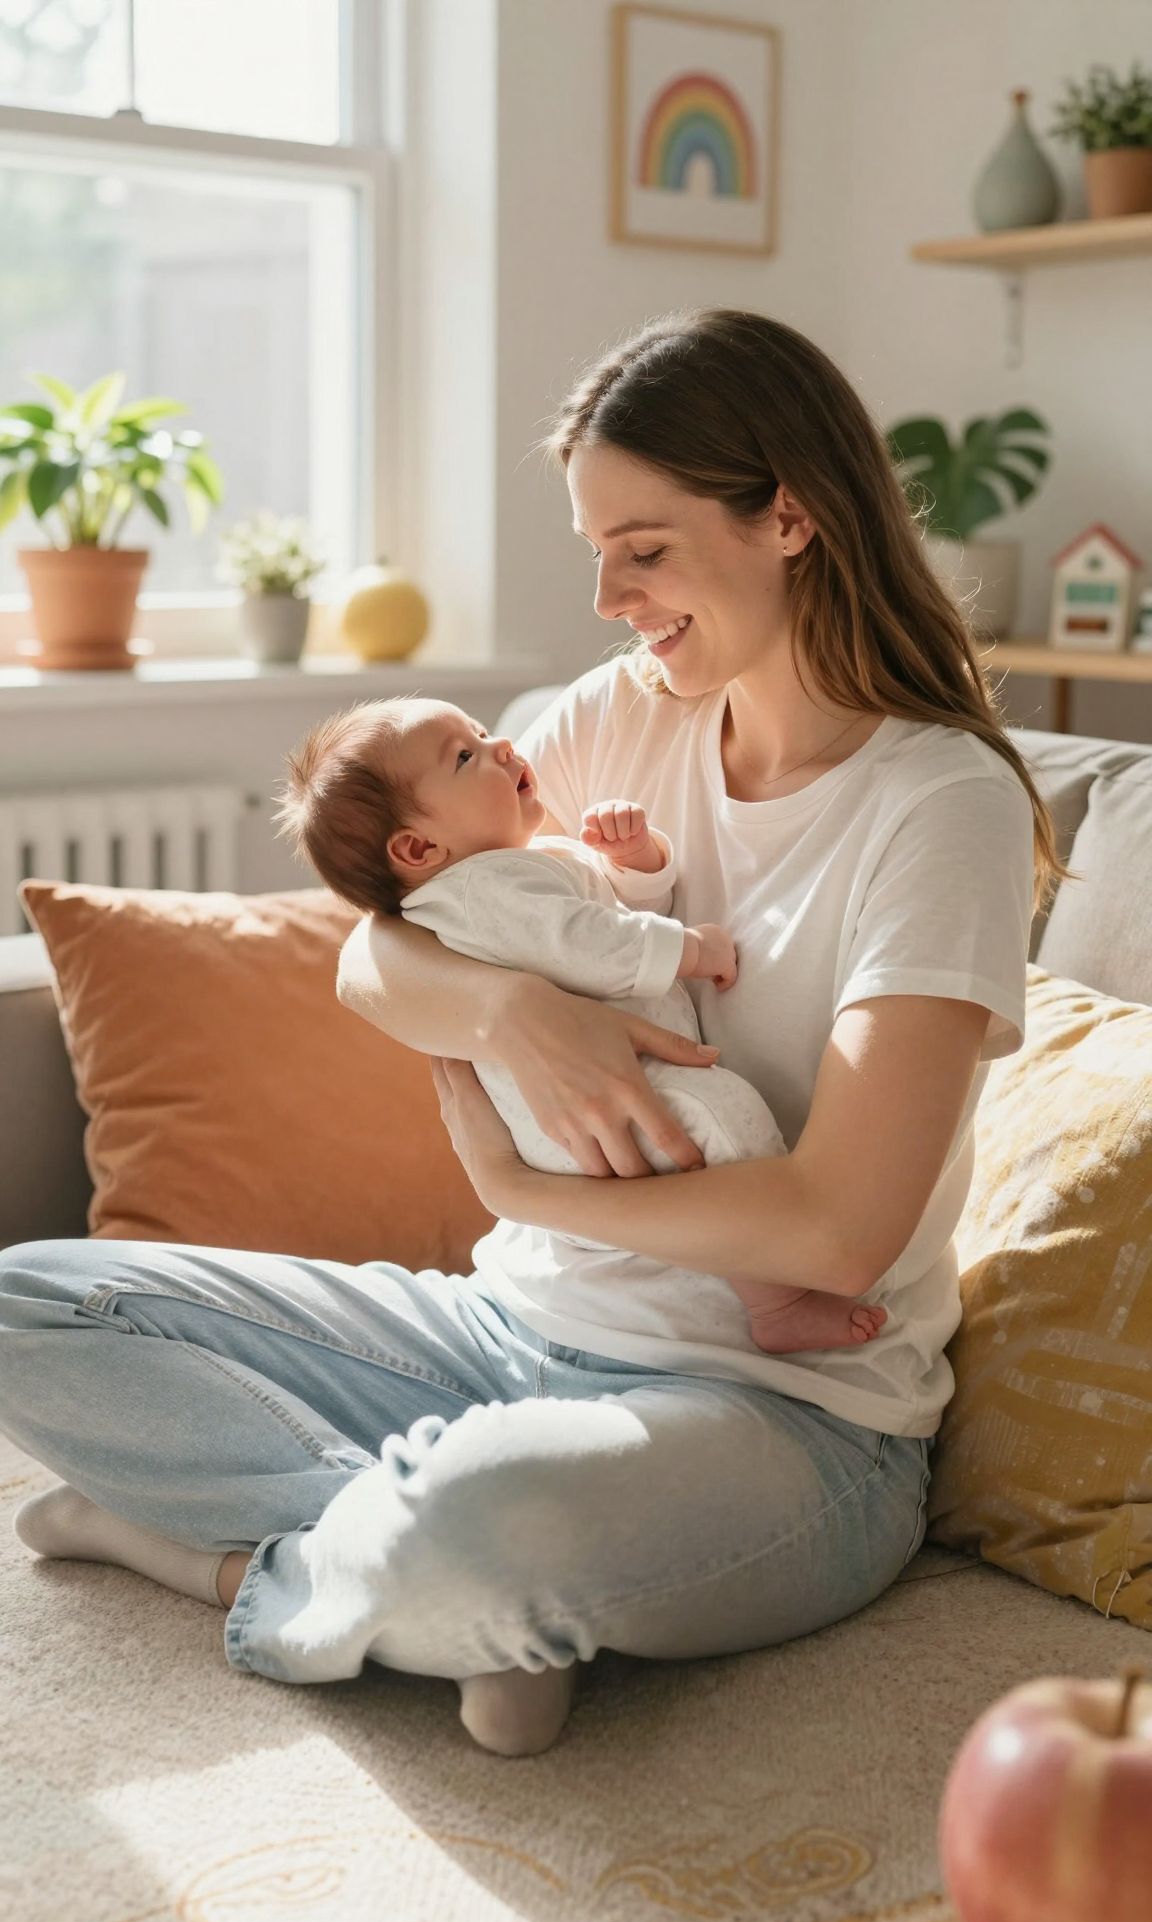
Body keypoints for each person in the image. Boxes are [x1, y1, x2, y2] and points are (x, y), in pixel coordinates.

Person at [0, 308, 1067, 1762]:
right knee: (32, 1304)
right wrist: (518, 1009)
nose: (614, 597)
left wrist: (519, 1189)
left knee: (488, 1520)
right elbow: (378, 953)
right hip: (511, 1330)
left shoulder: (939, 806)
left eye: (646, 546)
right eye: (597, 553)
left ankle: (236, 1559)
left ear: (793, 517)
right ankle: (427, 1565)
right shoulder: (623, 713)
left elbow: (836, 1231)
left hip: (783, 1413)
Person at [271, 691, 890, 1356]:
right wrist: (691, 949)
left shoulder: (516, 866)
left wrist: (635, 860)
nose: (502, 747)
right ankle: (779, 1299)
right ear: (419, 846)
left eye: (481, 730)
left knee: (717, 1131)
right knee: (727, 1116)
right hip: (588, 1127)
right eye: (465, 756)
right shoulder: (479, 890)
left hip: (580, 1143)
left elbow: (607, 906)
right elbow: (587, 942)